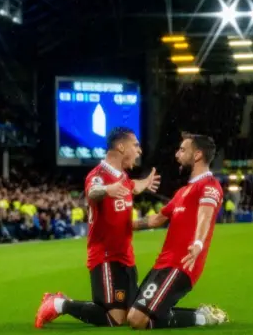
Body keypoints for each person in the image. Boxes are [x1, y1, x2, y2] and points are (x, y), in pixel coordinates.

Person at [35, 127, 161, 328]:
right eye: (135, 145)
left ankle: (62, 303)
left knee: (133, 315)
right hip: (105, 257)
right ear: (121, 147)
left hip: (126, 257)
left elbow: (133, 186)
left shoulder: (124, 179)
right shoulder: (98, 175)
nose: (139, 151)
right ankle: (58, 304)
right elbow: (93, 191)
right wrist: (107, 190)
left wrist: (145, 183)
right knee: (115, 318)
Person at [127, 133, 229, 329]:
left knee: (137, 320)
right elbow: (157, 219)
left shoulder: (210, 186)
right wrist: (121, 225)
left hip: (181, 265)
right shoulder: (182, 192)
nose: (177, 155)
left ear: (198, 155)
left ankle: (205, 318)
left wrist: (198, 243)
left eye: (183, 150)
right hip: (162, 264)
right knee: (132, 313)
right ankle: (200, 314)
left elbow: (205, 216)